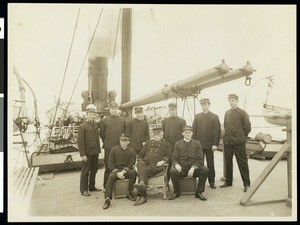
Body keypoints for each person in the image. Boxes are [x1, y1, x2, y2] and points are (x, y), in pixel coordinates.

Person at [220, 94, 251, 192]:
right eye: (229, 101)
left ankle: (246, 184)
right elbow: (225, 126)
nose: (231, 102)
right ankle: (228, 181)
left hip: (239, 142)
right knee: (228, 162)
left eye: (233, 100)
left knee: (242, 163)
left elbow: (248, 127)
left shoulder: (242, 113)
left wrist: (243, 136)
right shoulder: (227, 113)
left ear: (237, 101)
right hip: (228, 142)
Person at [133, 127, 172, 206]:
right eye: (155, 135)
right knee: (140, 164)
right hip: (146, 163)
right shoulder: (148, 143)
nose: (156, 136)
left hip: (157, 165)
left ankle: (142, 195)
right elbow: (140, 154)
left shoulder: (166, 144)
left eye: (158, 134)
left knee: (143, 171)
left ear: (162, 135)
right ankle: (142, 185)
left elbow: (169, 155)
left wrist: (163, 161)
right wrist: (140, 160)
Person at [169, 125, 209, 201]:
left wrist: (193, 168)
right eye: (186, 132)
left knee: (205, 170)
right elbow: (174, 158)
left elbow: (200, 159)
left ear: (192, 133)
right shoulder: (178, 144)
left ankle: (199, 192)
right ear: (182, 134)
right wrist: (176, 164)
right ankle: (176, 192)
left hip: (193, 169)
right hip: (182, 169)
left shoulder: (197, 143)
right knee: (172, 171)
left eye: (189, 132)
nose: (188, 134)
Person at [103, 134, 137, 210]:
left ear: (128, 142)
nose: (122, 143)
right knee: (111, 176)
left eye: (125, 141)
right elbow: (110, 163)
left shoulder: (132, 151)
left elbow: (131, 164)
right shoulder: (114, 150)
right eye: (121, 141)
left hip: (125, 171)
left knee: (134, 173)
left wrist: (123, 172)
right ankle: (107, 198)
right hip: (116, 170)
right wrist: (117, 173)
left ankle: (129, 192)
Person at [192, 98, 221, 189]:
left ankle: (211, 181)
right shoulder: (197, 116)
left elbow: (217, 132)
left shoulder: (214, 117)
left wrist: (215, 144)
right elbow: (194, 131)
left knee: (210, 163)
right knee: (198, 163)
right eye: (203, 105)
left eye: (206, 104)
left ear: (209, 105)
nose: (204, 106)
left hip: (209, 145)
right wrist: (194, 143)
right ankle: (199, 180)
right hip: (198, 145)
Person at [100, 102, 126, 189]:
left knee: (120, 165)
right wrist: (107, 141)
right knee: (108, 166)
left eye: (115, 108)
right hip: (109, 147)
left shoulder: (122, 120)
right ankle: (106, 186)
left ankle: (119, 186)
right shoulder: (105, 120)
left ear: (117, 110)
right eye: (112, 109)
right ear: (110, 110)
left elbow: (125, 133)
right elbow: (102, 134)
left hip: (120, 147)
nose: (114, 110)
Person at [78, 104, 102, 196]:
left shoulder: (95, 124)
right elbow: (80, 142)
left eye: (93, 115)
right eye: (90, 114)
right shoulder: (82, 126)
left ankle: (91, 186)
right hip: (87, 153)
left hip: (95, 152)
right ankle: (83, 189)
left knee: (94, 170)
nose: (92, 116)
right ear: (86, 115)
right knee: (85, 171)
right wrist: (83, 154)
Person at [162, 103, 186, 180]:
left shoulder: (182, 121)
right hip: (168, 145)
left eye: (173, 110)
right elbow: (163, 132)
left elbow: (184, 133)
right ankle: (167, 179)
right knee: (168, 162)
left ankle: (178, 179)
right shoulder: (165, 121)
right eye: (170, 110)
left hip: (178, 146)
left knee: (178, 161)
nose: (171, 111)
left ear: (176, 110)